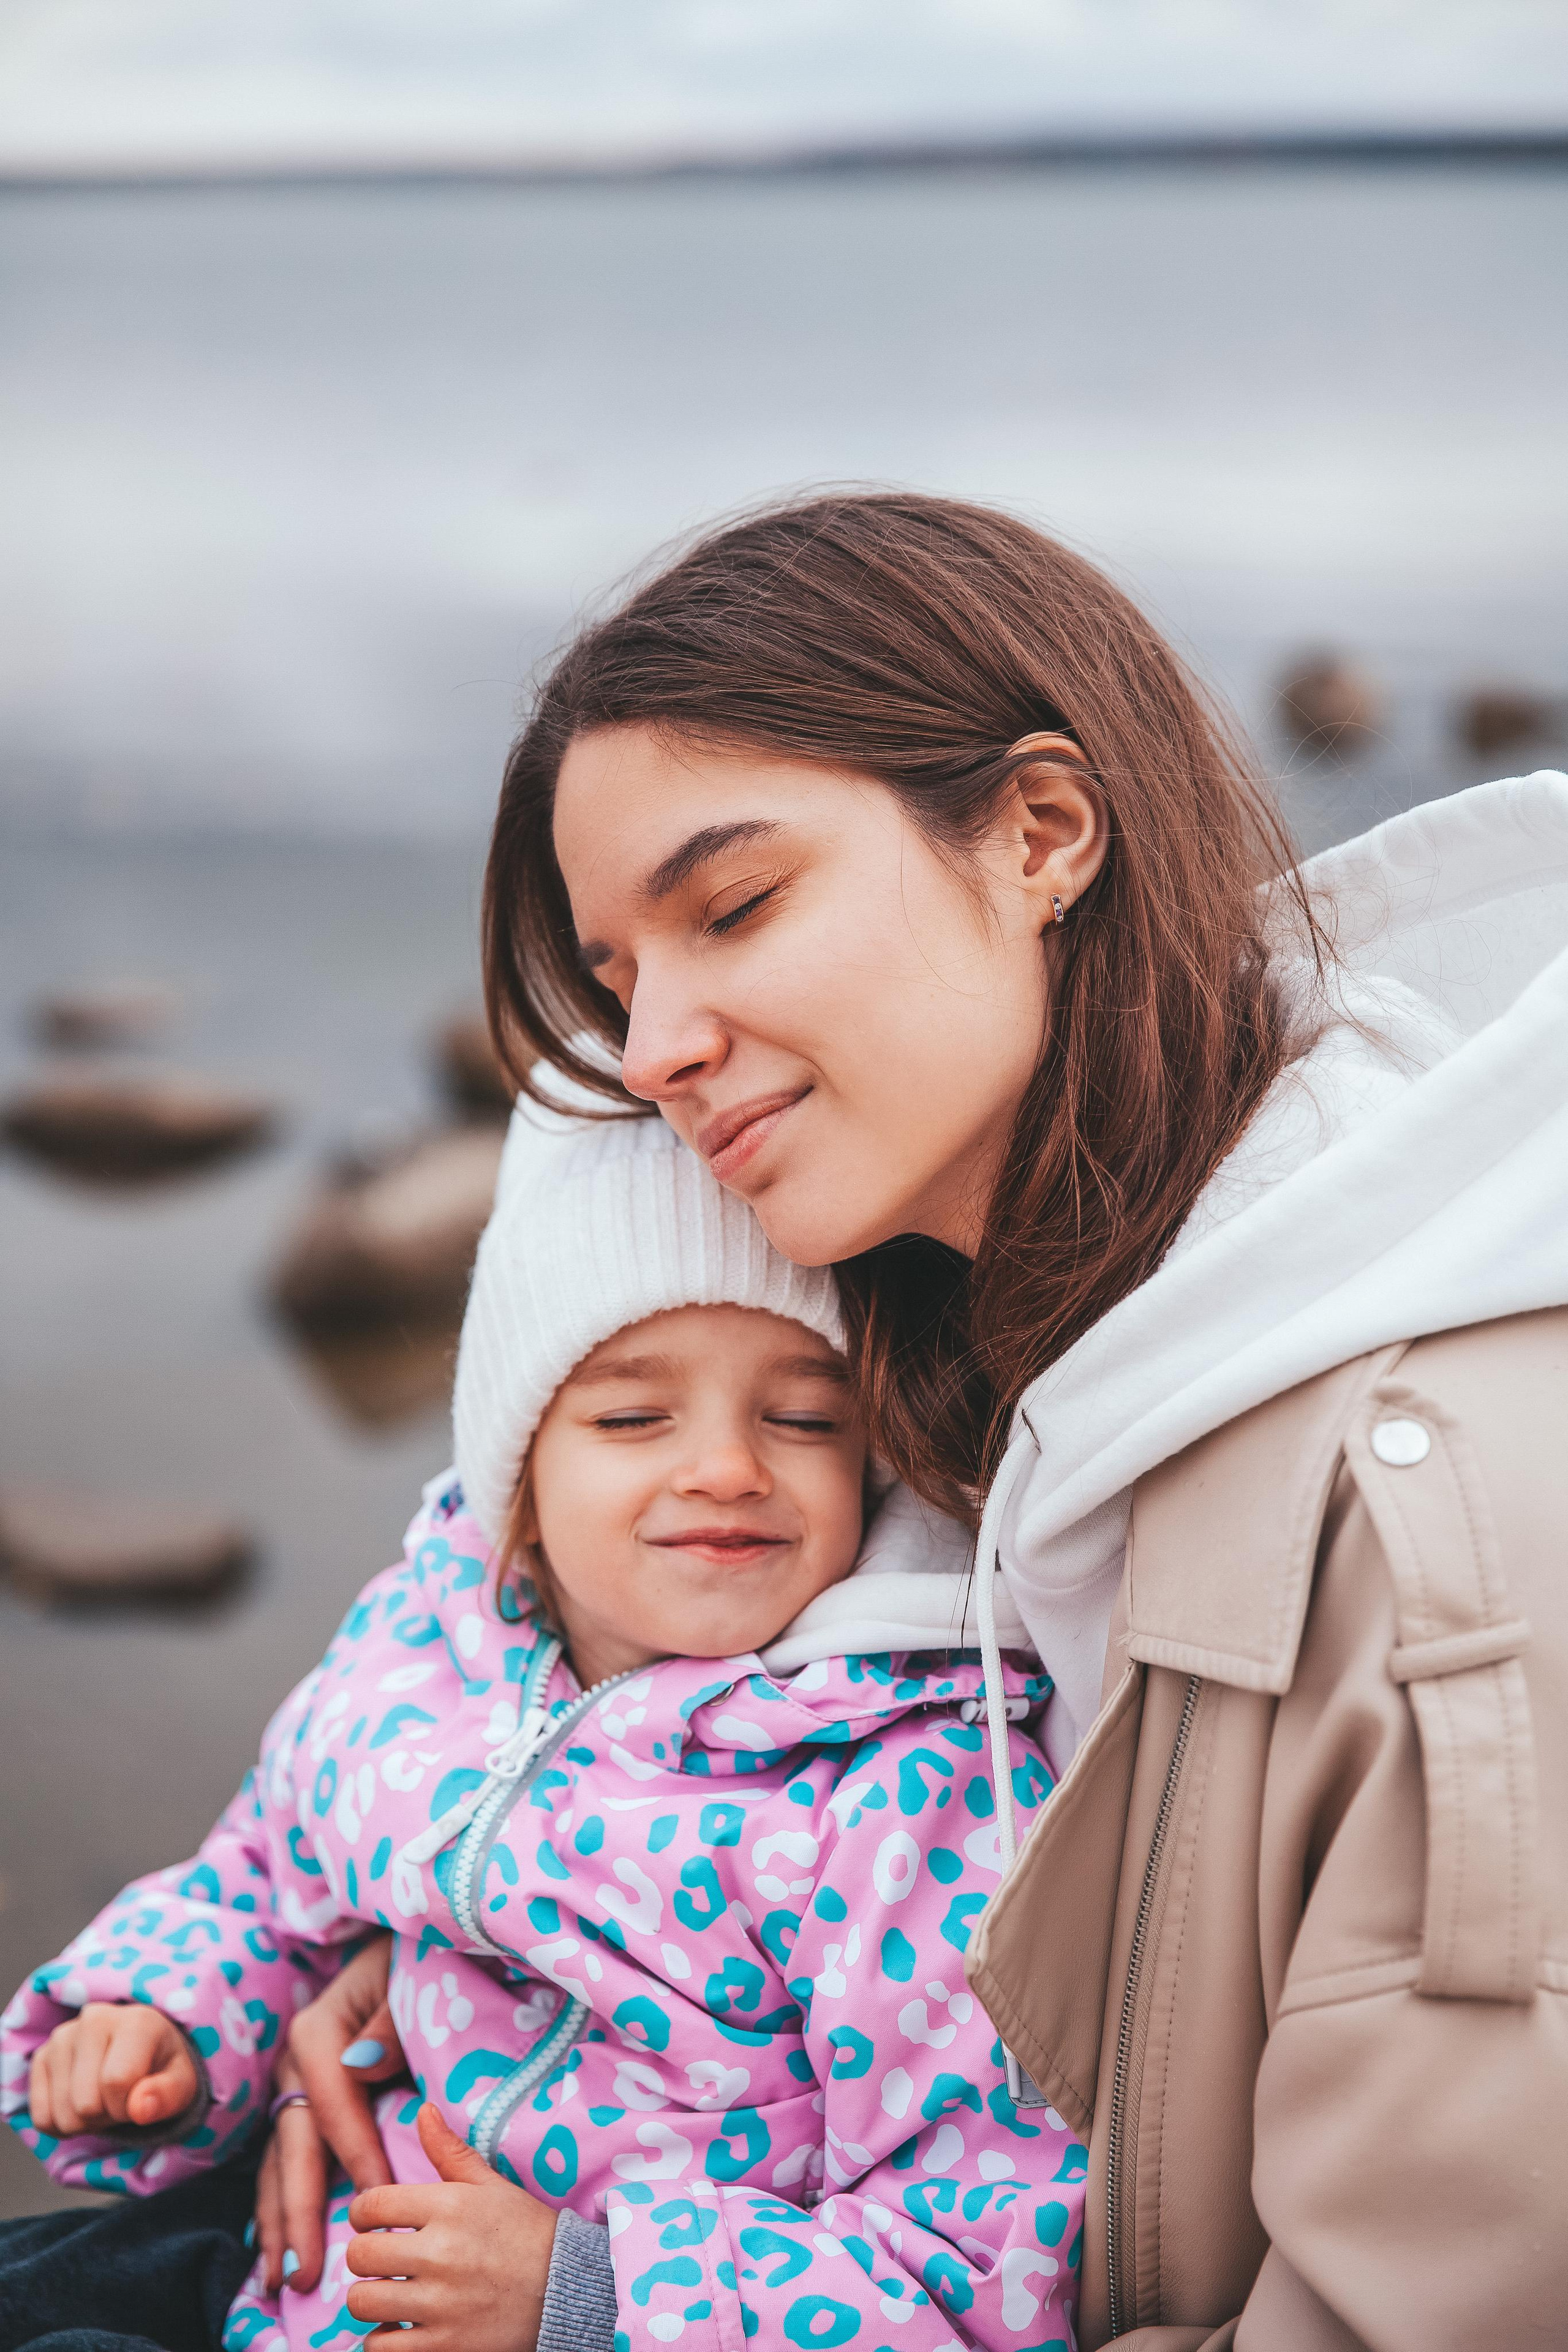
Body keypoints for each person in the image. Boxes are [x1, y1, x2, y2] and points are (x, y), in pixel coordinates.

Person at [467, 489, 1568, 2348]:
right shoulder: (993, 1383)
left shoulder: (1431, 1519)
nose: (652, 1048)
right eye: (618, 982)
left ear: (1043, 832)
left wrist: (604, 2305)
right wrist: (451, 1938)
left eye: (732, 905)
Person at [1, 1107, 1082, 2352]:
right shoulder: (427, 1641)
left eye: (802, 1419)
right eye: (632, 1420)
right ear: (512, 1477)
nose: (727, 1467)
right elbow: (265, 1876)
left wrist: (585, 2294)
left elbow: (977, 2265)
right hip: (299, 2274)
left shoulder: (906, 1791)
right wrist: (164, 2019)